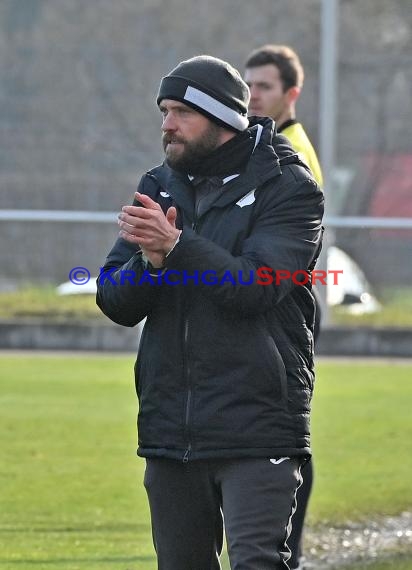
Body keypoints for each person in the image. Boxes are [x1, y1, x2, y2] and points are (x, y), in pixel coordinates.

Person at [96, 55, 324, 570]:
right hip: (170, 428)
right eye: (163, 111)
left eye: (181, 112)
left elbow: (258, 287)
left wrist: (176, 248)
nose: (166, 126)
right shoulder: (158, 184)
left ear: (221, 119)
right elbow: (113, 298)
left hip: (258, 424)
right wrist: (150, 265)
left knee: (258, 563)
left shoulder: (289, 186)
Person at [245, 44, 324, 570]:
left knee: (285, 428)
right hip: (275, 299)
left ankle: (284, 546)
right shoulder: (265, 143)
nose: (252, 96)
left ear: (291, 94)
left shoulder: (289, 150)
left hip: (285, 303)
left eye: (265, 87)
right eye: (247, 85)